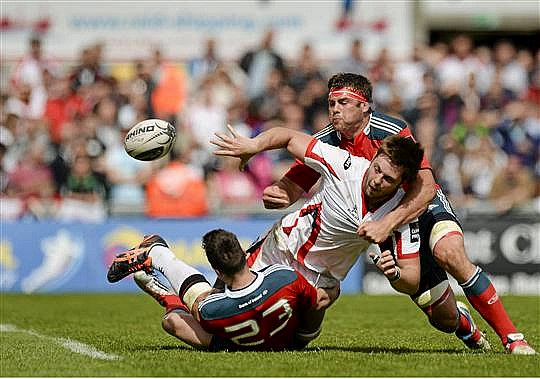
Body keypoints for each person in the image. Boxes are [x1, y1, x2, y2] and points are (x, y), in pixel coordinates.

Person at [262, 72, 535, 355]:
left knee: (449, 252)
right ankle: (464, 324)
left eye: (342, 102)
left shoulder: (390, 129)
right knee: (443, 317)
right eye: (331, 103)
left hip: (420, 204)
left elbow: (426, 186)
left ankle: (513, 338)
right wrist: (279, 194)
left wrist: (386, 223)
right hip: (382, 223)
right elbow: (292, 187)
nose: (334, 109)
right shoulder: (326, 141)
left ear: (364, 105)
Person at [210, 126, 428, 341]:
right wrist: (254, 145)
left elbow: (412, 279)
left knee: (294, 339)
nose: (377, 180)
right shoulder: (345, 166)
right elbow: (289, 137)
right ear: (374, 157)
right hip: (282, 248)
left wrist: (394, 273)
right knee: (221, 309)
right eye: (377, 169)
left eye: (388, 179)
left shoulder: (400, 214)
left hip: (319, 279)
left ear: (402, 183)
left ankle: (303, 332)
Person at [107, 230, 321, 351]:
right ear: (245, 255)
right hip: (289, 339)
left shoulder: (211, 308)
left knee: (172, 322)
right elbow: (316, 304)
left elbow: (202, 303)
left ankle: (161, 266)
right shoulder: (284, 276)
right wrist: (305, 337)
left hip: (235, 343)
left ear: (217, 271)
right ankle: (157, 255)